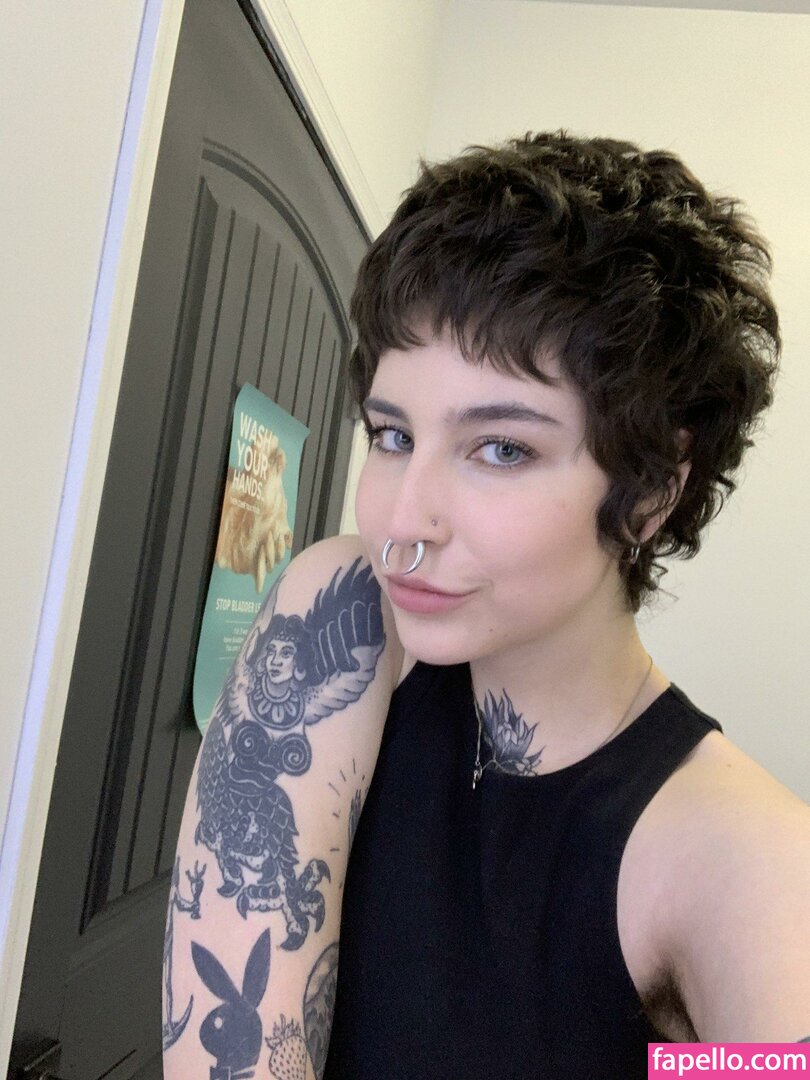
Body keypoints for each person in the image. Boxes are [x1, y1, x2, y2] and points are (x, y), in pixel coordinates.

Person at [164, 132, 810, 1080]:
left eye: (501, 449)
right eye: (391, 435)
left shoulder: (744, 858)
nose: (402, 523)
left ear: (648, 495)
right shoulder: (349, 621)